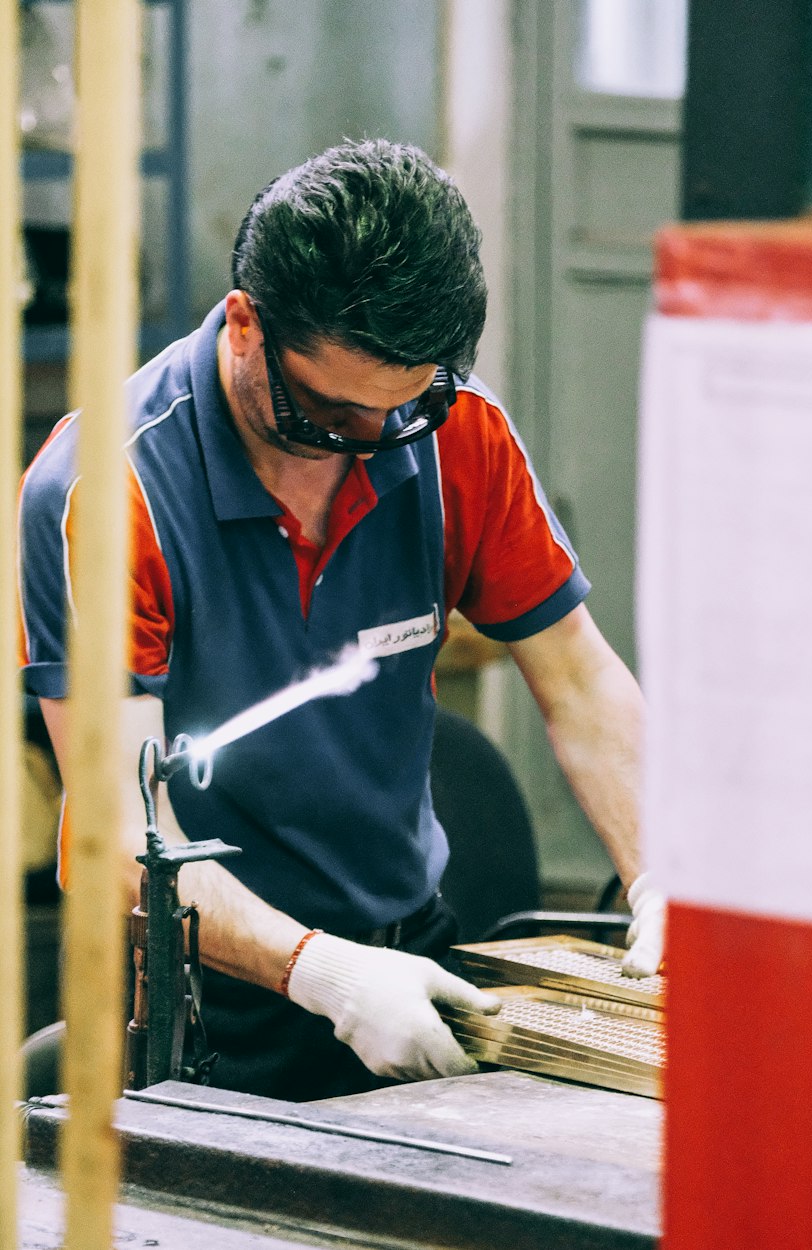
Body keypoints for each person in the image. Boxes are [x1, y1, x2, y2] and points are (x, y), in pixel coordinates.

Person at [18, 139, 662, 1101]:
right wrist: (323, 972)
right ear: (245, 326)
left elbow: (578, 679)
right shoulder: (107, 492)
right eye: (327, 415)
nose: (367, 450)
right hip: (198, 991)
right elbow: (118, 836)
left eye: (404, 411)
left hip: (407, 958)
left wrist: (664, 877)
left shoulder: (454, 437)